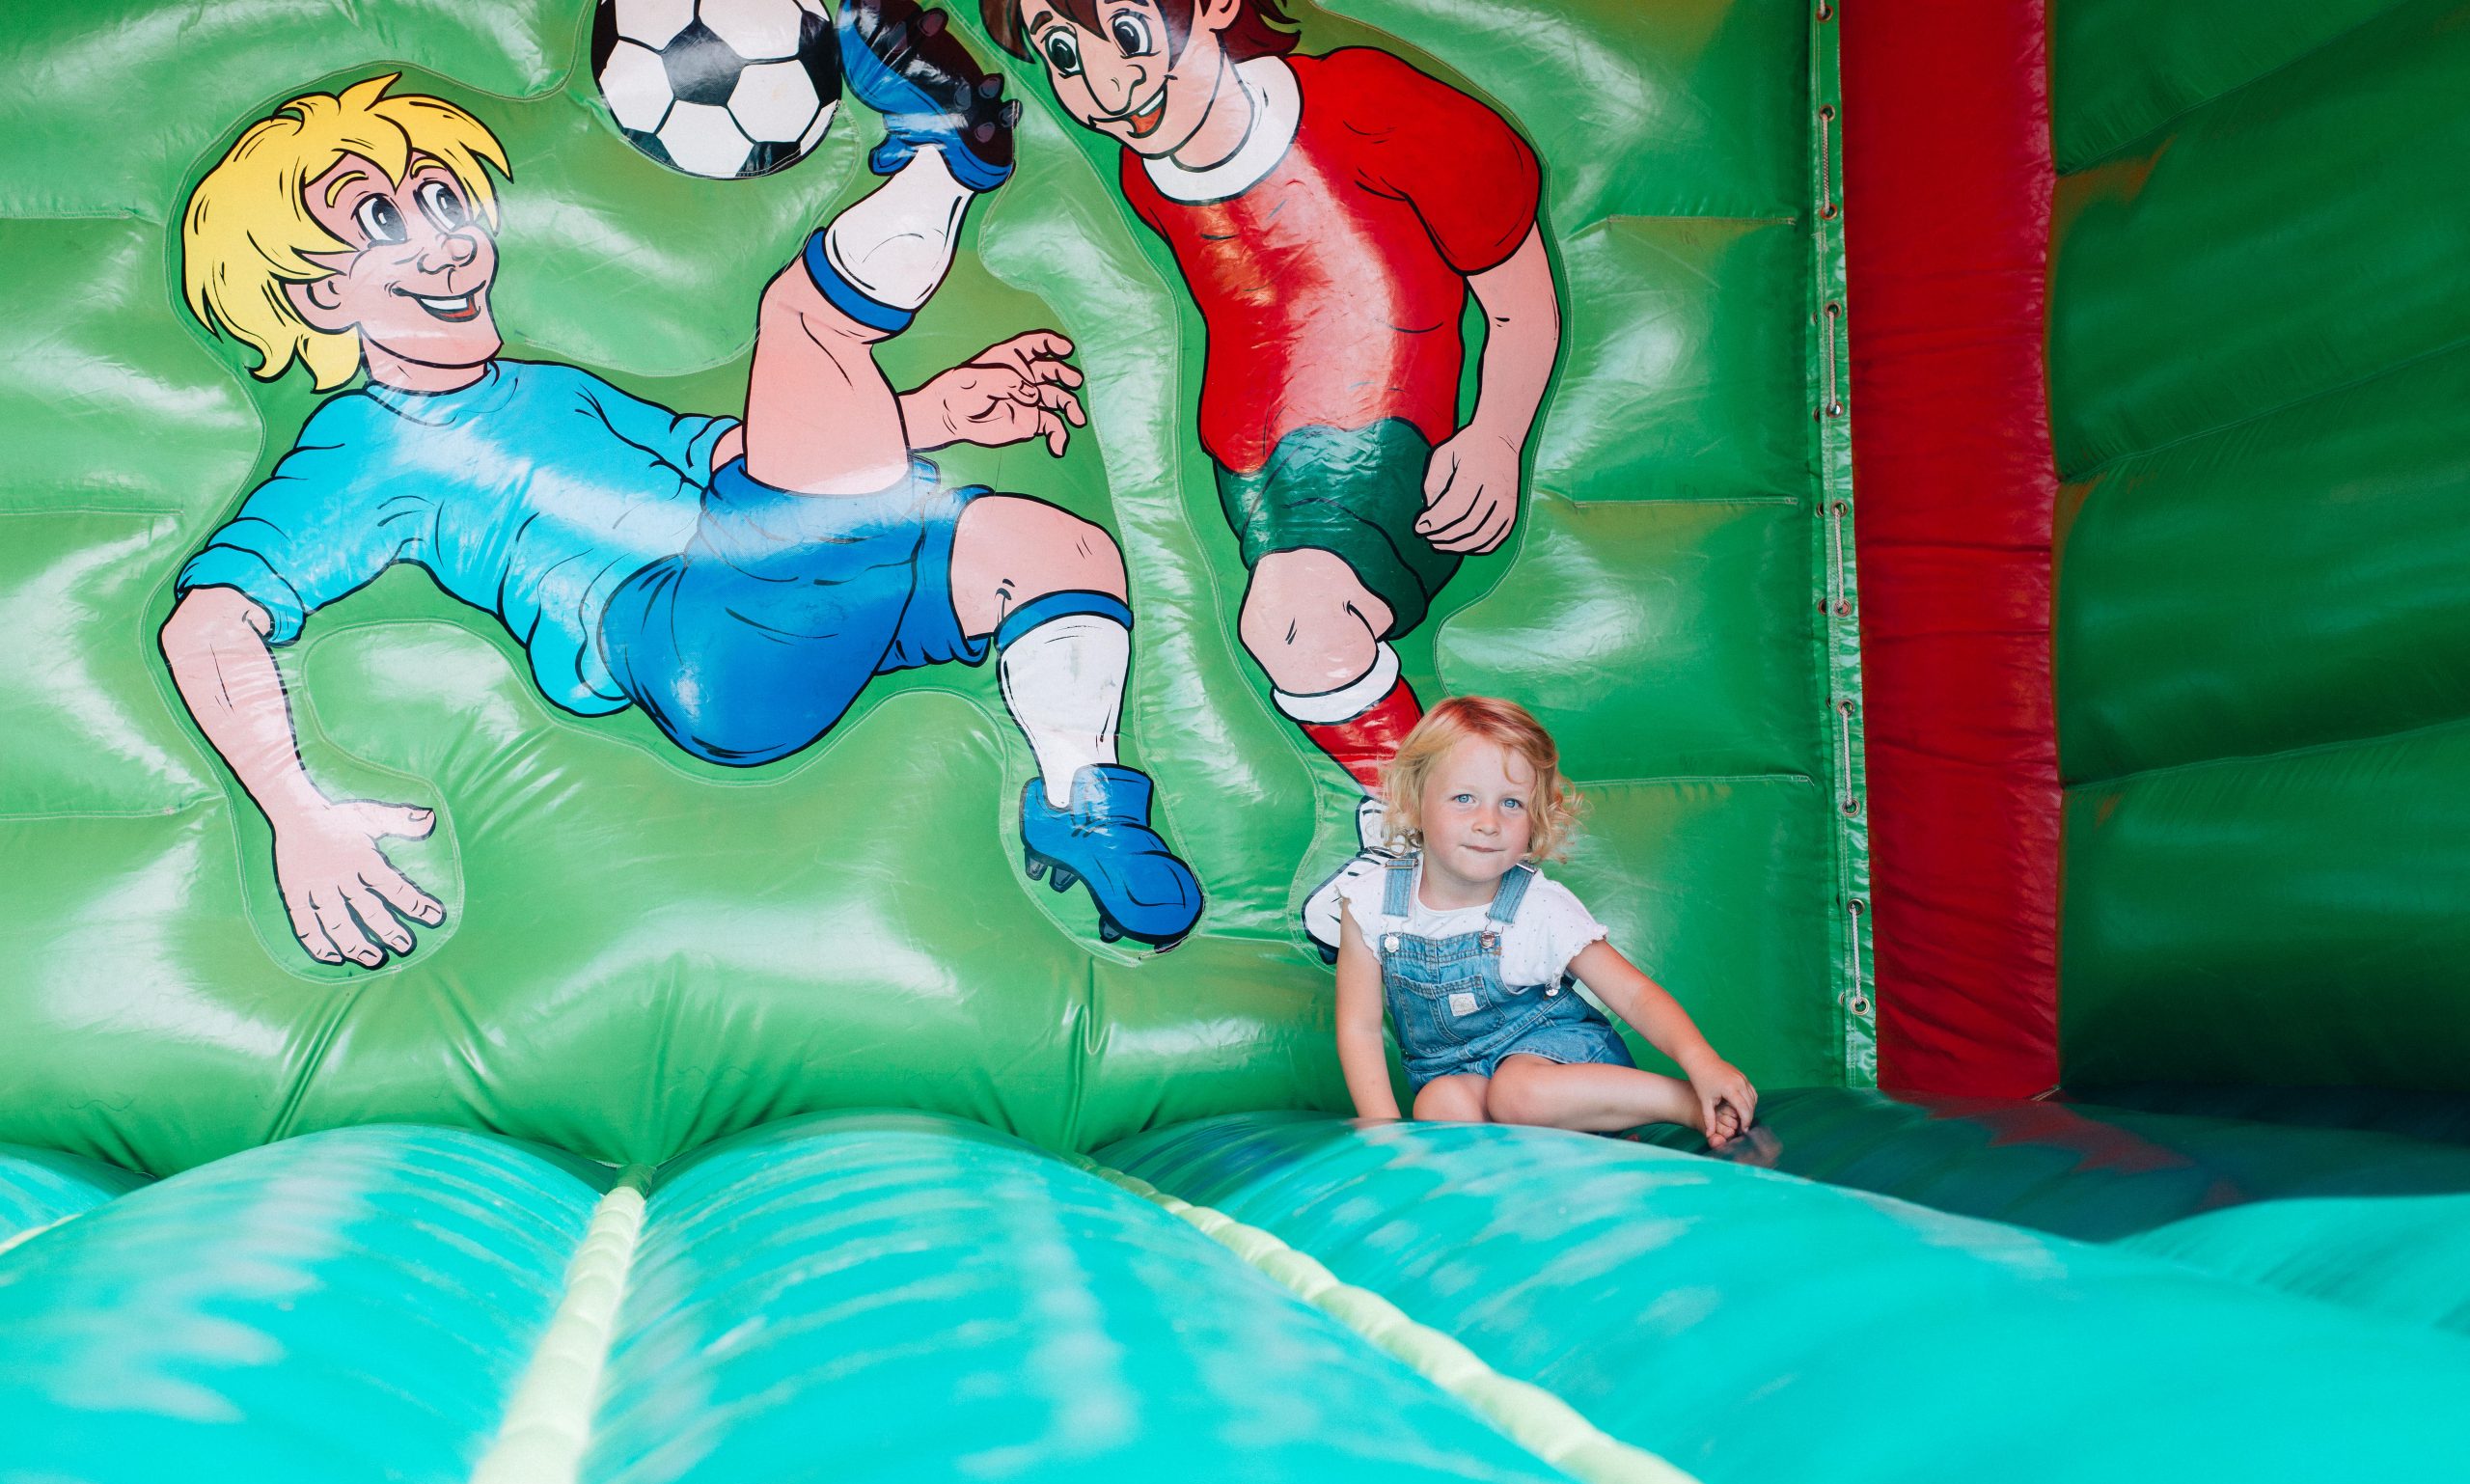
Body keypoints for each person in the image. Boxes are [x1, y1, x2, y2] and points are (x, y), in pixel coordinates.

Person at [161, 3, 1203, 971]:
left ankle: (1081, 801)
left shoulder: (545, 389)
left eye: (441, 201)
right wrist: (295, 811)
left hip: (763, 568)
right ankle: (946, 157)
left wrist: (933, 411)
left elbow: (730, 453)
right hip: (686, 638)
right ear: (314, 295)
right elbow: (206, 622)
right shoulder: (365, 443)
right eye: (379, 221)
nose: (445, 242)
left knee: (1055, 552)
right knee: (805, 320)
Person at [979, 0, 1560, 957]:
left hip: (1384, 435)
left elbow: (1514, 293)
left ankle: (1440, 852)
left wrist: (1494, 434)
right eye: (1063, 54)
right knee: (1296, 622)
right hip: (1256, 471)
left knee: (1295, 622)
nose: (1103, 82)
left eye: (1128, 34)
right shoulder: (1151, 173)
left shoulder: (1370, 108)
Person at [1331, 698, 1757, 1140]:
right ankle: (1558, 1160)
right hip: (1459, 1073)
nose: (1488, 822)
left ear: (1534, 817)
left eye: (1511, 803)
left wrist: (1702, 1062)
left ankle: (1677, 1102)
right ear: (1415, 801)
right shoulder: (1372, 902)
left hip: (1559, 1063)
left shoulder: (1539, 906)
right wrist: (1386, 1136)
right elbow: (1360, 1029)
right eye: (1464, 798)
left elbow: (1634, 996)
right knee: (1437, 1104)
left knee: (1518, 1094)